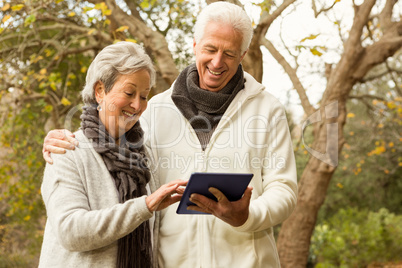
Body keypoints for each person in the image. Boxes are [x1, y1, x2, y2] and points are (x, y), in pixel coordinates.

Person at [43, 2, 298, 267]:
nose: (217, 61)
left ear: (244, 54)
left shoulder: (268, 109)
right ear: (195, 45)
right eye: (210, 49)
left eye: (230, 53)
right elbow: (108, 147)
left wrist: (247, 217)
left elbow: (284, 189)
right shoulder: (154, 109)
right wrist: (62, 141)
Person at [39, 41, 186, 268]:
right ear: (100, 91)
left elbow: (153, 237)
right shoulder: (67, 150)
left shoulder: (144, 157)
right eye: (129, 92)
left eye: (144, 96)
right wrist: (143, 207)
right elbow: (70, 230)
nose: (137, 105)